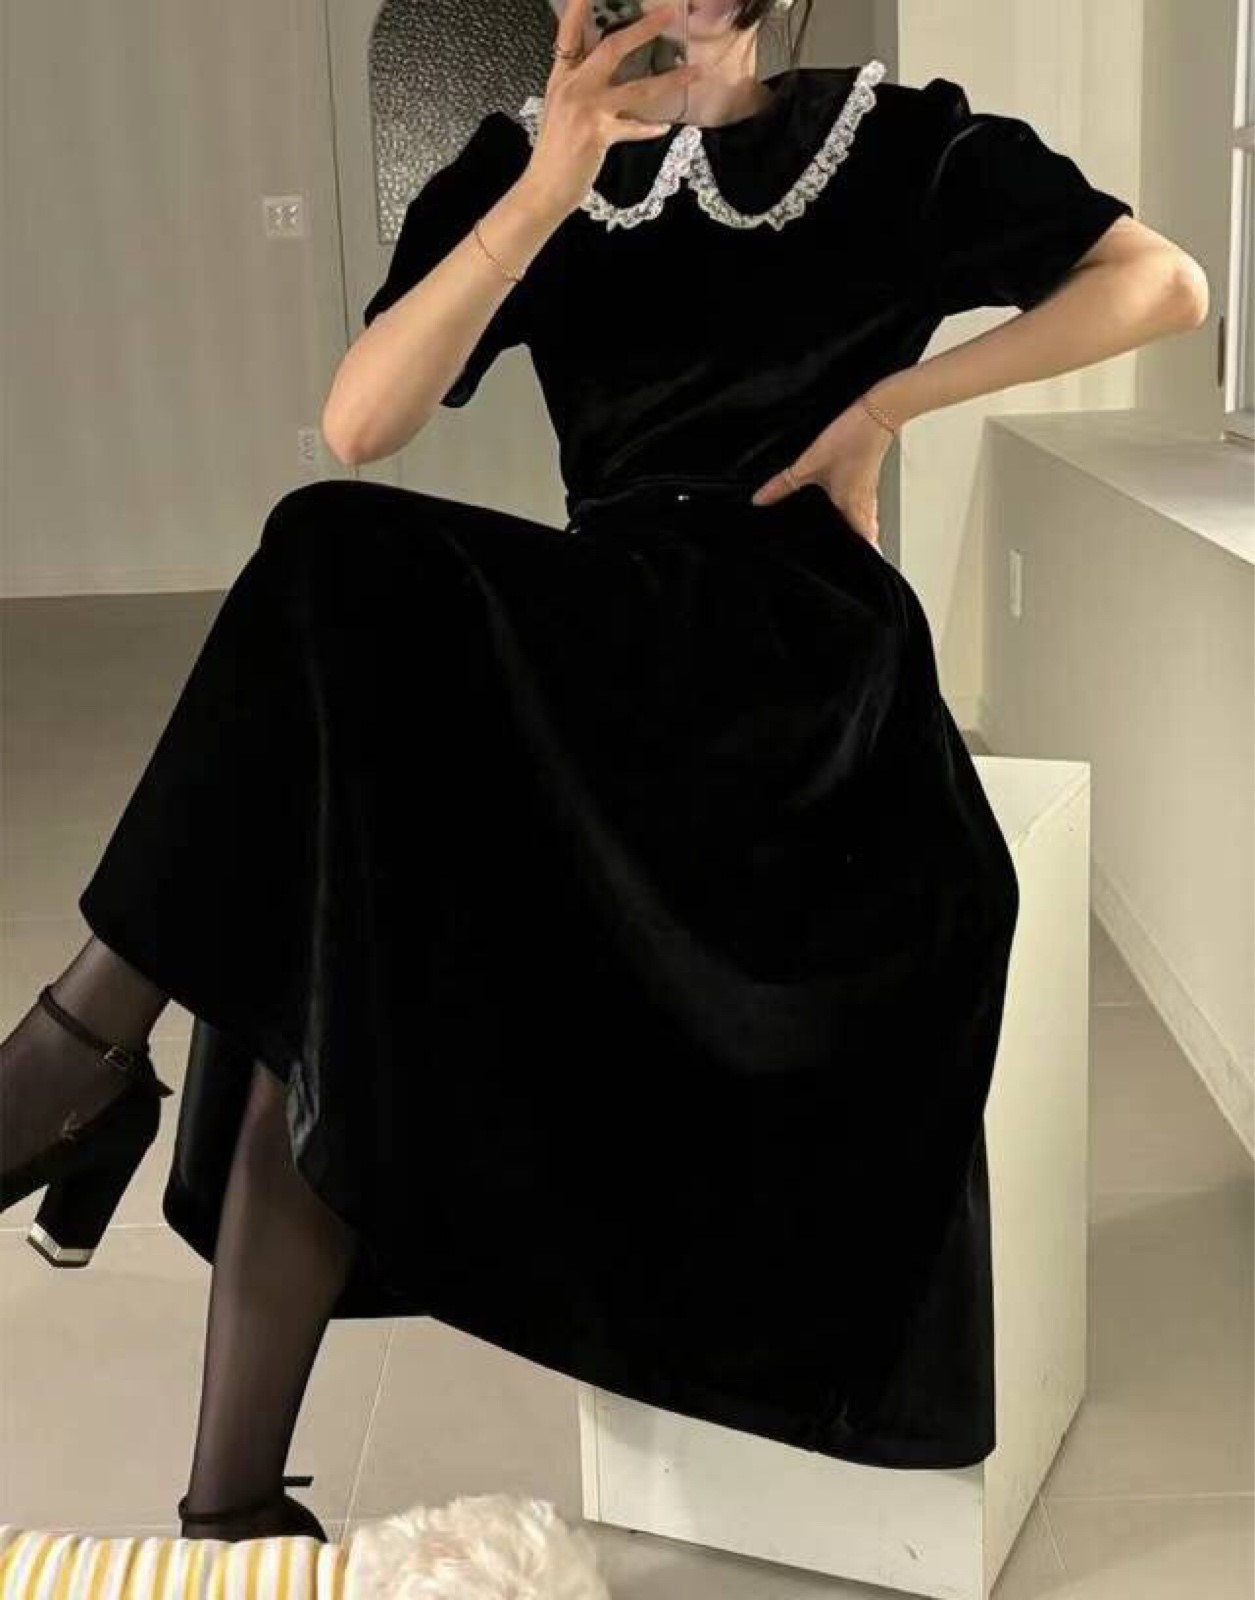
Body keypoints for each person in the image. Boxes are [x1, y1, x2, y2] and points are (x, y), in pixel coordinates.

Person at [0, 0, 1206, 1544]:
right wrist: (549, 178)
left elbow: (1159, 283)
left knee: (339, 652)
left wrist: (884, 410)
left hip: (798, 660)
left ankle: (74, 1064)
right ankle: (228, 1496)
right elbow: (361, 421)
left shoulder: (898, 141)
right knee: (338, 787)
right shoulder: (532, 161)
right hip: (606, 620)